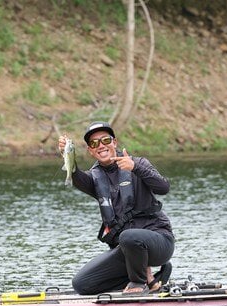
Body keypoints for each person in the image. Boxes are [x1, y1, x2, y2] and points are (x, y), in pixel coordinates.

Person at [58, 121, 174, 295]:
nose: (101, 146)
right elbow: (75, 176)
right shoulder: (94, 179)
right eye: (94, 143)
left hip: (159, 242)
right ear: (90, 150)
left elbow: (164, 188)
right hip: (128, 250)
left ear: (114, 142)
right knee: (82, 284)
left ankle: (138, 281)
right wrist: (66, 154)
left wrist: (136, 168)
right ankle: (152, 278)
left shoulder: (137, 163)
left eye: (105, 140)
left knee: (128, 236)